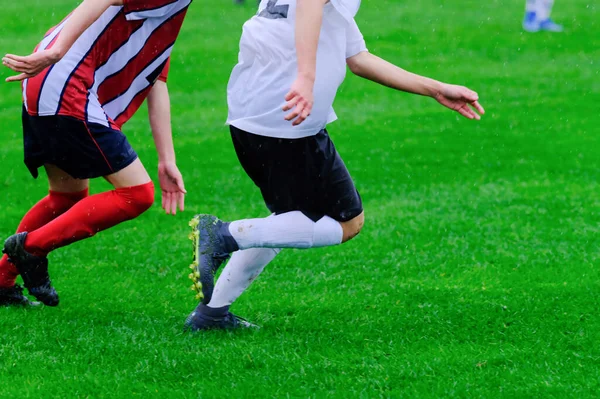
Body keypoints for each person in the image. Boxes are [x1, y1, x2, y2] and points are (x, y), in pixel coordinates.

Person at [184, 0, 485, 330]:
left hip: (254, 113)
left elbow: (357, 58)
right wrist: (306, 77)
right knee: (347, 222)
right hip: (287, 118)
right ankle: (223, 235)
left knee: (289, 219)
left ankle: (211, 314)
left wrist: (435, 89)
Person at [0, 0, 191, 307]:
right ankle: (31, 249)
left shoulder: (171, 12)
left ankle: (1, 281)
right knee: (137, 194)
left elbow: (156, 80)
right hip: (64, 82)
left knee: (65, 198)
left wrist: (167, 159)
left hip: (48, 81)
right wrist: (57, 51)